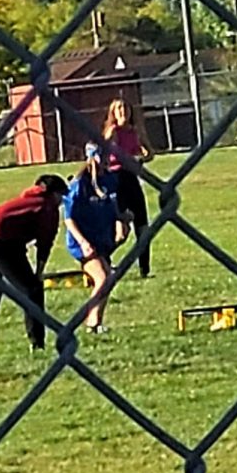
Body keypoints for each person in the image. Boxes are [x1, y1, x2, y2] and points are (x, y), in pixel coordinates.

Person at [0, 174, 68, 353]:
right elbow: (45, 241)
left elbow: (15, 239)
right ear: (55, 194)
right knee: (32, 291)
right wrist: (39, 270)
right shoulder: (46, 207)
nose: (61, 202)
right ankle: (37, 344)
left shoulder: (25, 200)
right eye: (61, 196)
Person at [63, 144, 128, 335]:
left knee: (108, 279)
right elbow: (69, 219)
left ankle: (95, 322)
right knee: (103, 278)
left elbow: (112, 207)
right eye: (103, 155)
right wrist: (83, 242)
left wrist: (122, 219)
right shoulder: (79, 184)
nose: (108, 159)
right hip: (83, 243)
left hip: (102, 240)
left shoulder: (109, 180)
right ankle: (92, 323)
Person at [102, 97, 154, 278]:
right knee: (122, 232)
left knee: (143, 227)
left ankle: (145, 269)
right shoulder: (113, 132)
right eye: (119, 109)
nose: (124, 112)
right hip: (117, 180)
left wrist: (141, 158)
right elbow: (103, 153)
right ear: (114, 114)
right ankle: (101, 258)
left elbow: (149, 153)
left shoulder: (135, 131)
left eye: (126, 108)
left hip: (132, 179)